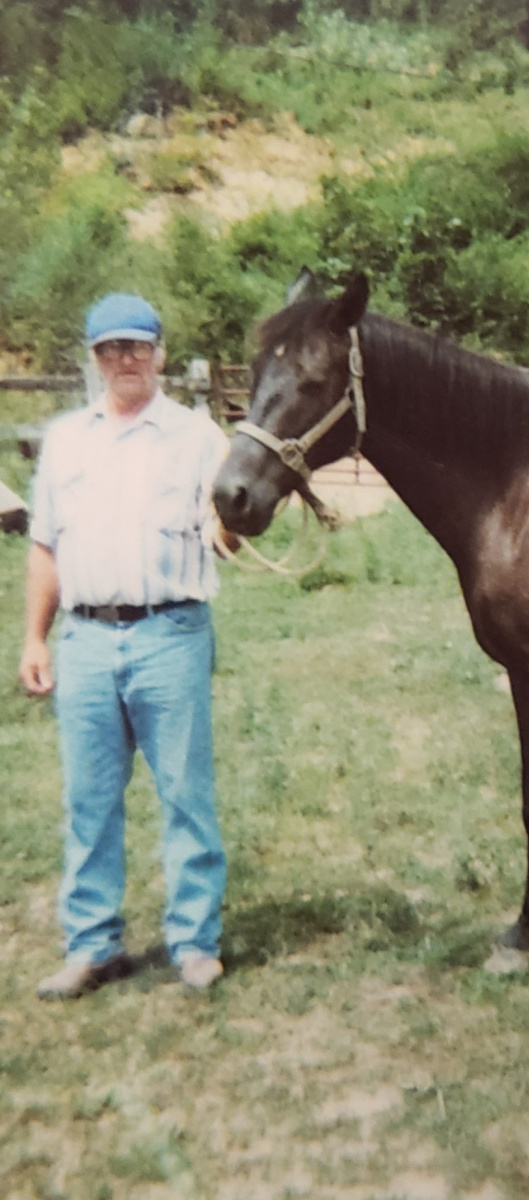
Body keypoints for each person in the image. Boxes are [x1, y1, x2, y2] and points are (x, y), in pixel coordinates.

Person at [19, 292, 231, 999]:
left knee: (185, 793)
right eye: (111, 349)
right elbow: (45, 545)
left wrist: (233, 528)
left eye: (137, 346)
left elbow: (226, 529)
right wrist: (33, 638)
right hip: (83, 639)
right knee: (88, 799)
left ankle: (195, 940)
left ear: (160, 353)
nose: (125, 360)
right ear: (94, 359)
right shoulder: (66, 440)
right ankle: (92, 944)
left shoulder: (200, 437)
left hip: (170, 633)